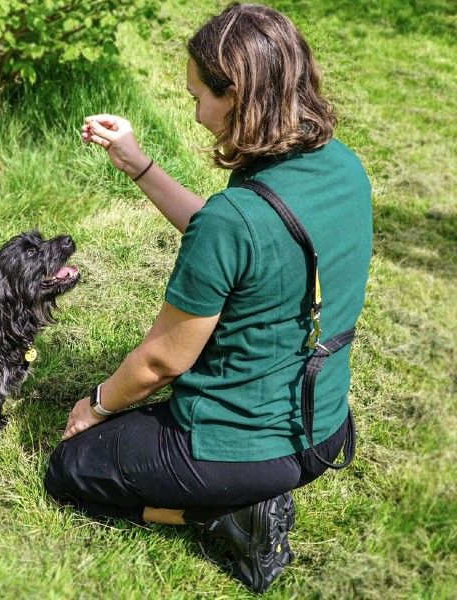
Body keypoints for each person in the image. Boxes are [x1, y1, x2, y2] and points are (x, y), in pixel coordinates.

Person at [43, 2, 372, 593]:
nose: (196, 113)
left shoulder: (237, 218)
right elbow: (237, 242)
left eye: (200, 97)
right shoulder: (339, 166)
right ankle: (244, 497)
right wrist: (136, 163)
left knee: (70, 471)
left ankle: (226, 514)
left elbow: (159, 363)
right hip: (324, 429)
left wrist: (94, 406)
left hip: (239, 446)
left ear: (240, 96)